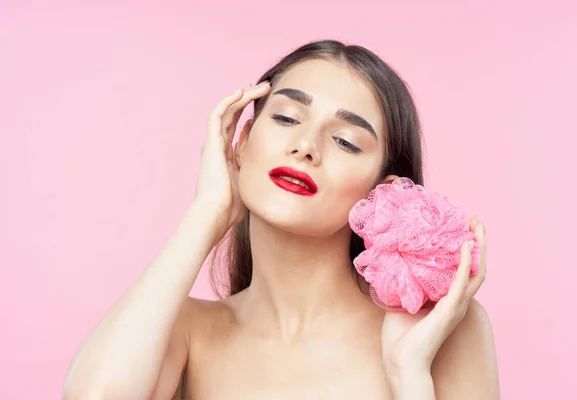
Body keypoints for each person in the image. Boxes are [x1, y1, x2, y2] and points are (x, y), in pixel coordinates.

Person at [63, 40, 499, 399]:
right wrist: (207, 213)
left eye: (346, 142)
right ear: (242, 141)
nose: (306, 145)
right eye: (287, 118)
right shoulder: (185, 332)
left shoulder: (442, 330)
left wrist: (409, 376)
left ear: (382, 195)